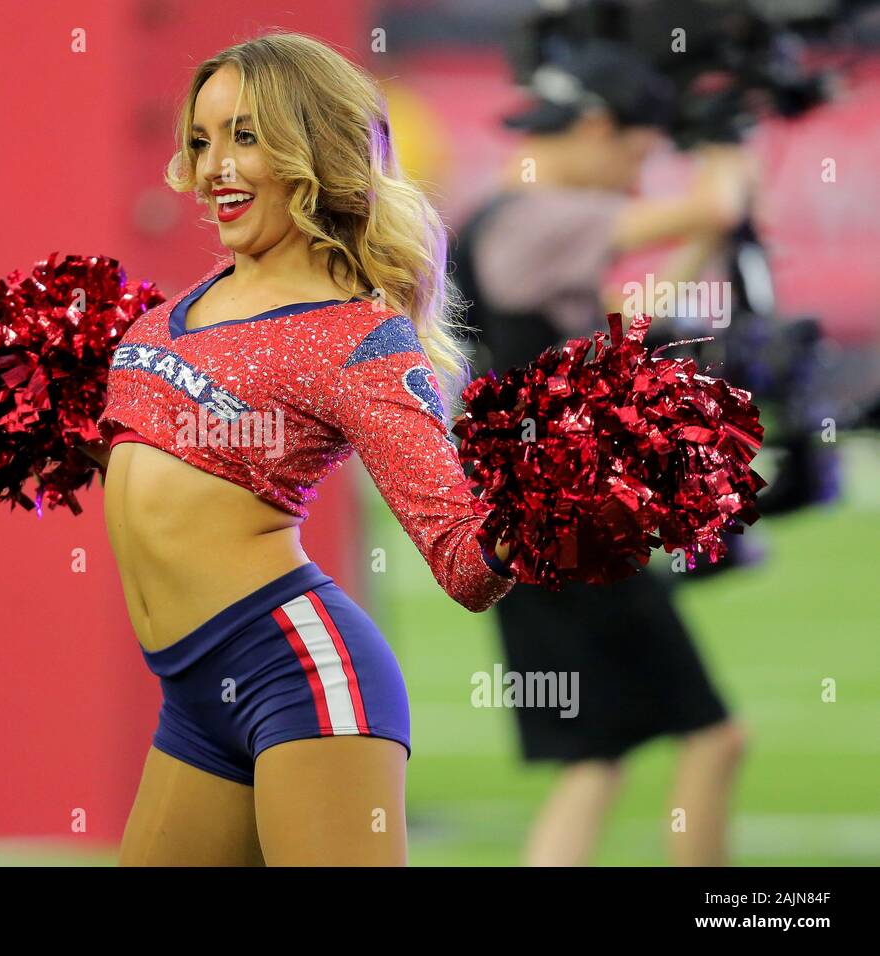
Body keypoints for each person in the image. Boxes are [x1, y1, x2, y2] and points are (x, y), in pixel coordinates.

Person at [77, 32, 515, 866]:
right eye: (202, 141)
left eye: (245, 137)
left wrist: (544, 510)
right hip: (194, 691)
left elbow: (464, 560)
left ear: (314, 149)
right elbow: (173, 467)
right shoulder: (186, 304)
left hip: (301, 674)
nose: (214, 168)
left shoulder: (360, 338)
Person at [450, 41, 754, 866]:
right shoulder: (539, 213)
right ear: (592, 126)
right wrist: (726, 139)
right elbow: (713, 210)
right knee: (714, 735)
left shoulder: (502, 222)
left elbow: (623, 326)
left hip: (529, 520)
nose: (635, 176)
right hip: (569, 523)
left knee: (595, 757)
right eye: (637, 152)